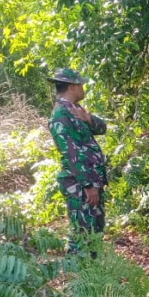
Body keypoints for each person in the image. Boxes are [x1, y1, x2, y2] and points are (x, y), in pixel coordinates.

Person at [47, 68, 108, 257]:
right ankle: (78, 280)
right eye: (81, 84)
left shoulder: (75, 110)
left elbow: (102, 128)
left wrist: (87, 118)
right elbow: (71, 153)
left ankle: (94, 277)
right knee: (82, 235)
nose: (83, 88)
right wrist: (88, 185)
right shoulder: (60, 116)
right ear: (73, 86)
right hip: (79, 184)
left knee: (94, 232)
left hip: (90, 180)